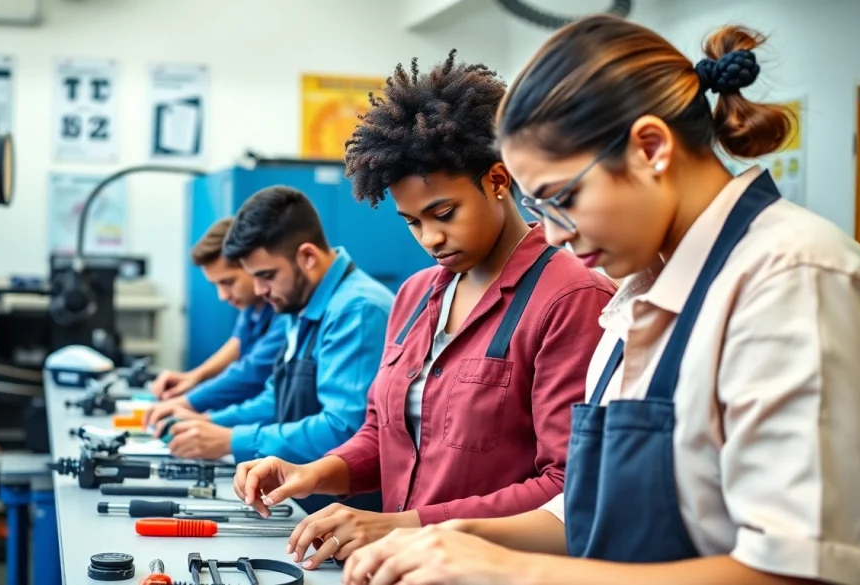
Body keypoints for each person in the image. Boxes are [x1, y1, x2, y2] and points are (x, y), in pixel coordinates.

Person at [337, 15, 860, 585]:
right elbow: (587, 511)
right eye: (542, 211)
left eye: (562, 199)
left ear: (650, 148)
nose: (557, 235)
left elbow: (801, 568)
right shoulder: (637, 300)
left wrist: (513, 571)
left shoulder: (791, 277)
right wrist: (454, 536)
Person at [232, 50, 616, 570]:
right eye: (412, 222)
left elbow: (564, 491)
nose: (431, 238)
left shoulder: (570, 298)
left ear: (499, 181)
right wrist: (315, 471)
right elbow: (384, 434)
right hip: (401, 570)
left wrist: (399, 526)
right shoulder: (416, 297)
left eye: (444, 213)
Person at [155, 186, 395, 500]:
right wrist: (208, 424)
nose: (260, 290)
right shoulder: (299, 302)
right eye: (253, 277)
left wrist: (232, 440)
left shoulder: (357, 310)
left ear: (307, 256)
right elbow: (276, 398)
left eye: (266, 275)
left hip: (350, 505)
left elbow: (343, 429)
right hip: (308, 492)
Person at [144, 217, 286, 423]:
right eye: (216, 285)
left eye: (228, 282)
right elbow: (237, 343)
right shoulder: (253, 305)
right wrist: (194, 376)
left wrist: (187, 403)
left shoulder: (284, 307)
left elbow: (251, 371)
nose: (223, 295)